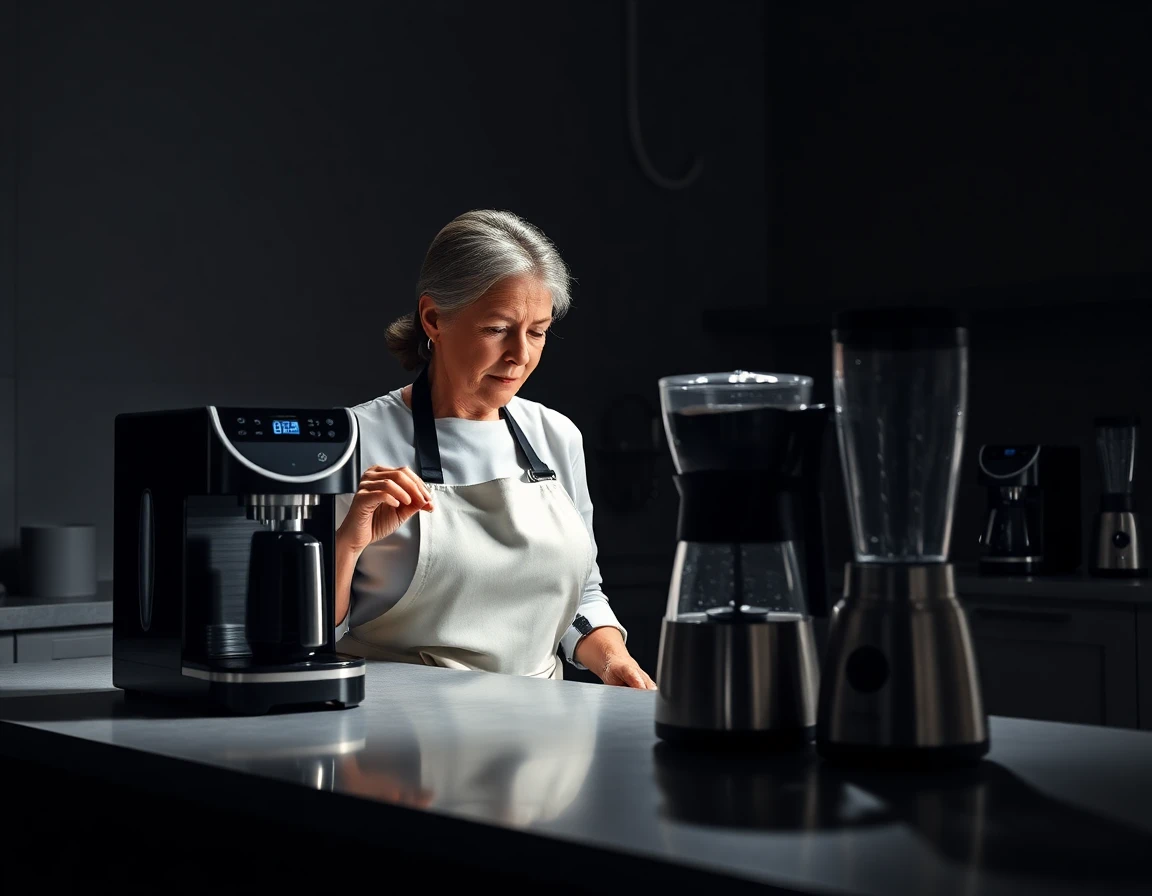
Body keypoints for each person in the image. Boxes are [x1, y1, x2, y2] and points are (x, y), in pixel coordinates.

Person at [334, 209, 656, 689]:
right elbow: (306, 632)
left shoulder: (556, 436)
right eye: (497, 329)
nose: (520, 355)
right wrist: (349, 542)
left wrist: (613, 661)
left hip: (541, 732)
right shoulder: (356, 440)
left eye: (538, 331)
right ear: (434, 319)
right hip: (401, 735)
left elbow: (581, 595)